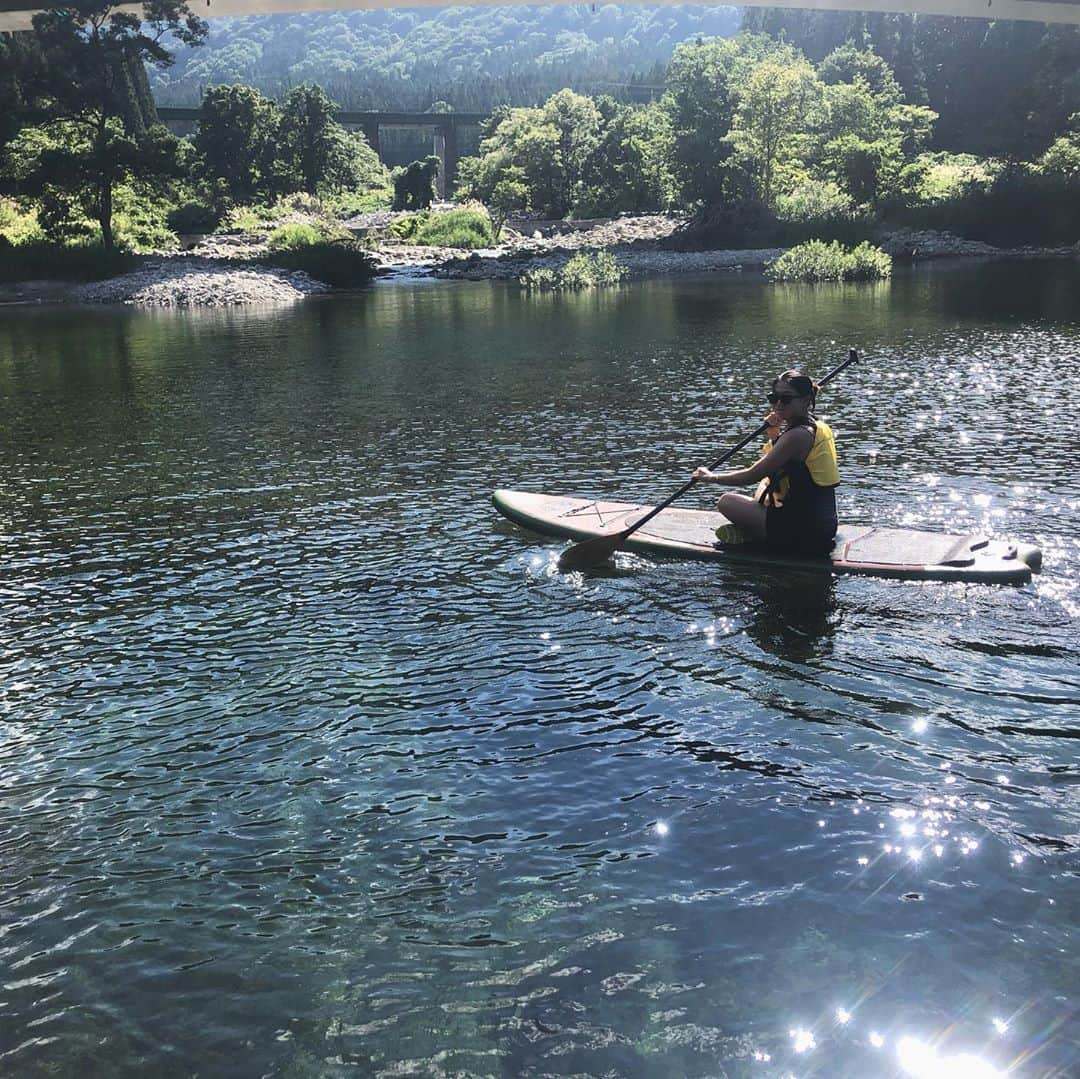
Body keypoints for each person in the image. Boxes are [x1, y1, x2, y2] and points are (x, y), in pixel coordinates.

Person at [691, 370, 839, 555]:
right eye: (773, 398)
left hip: (805, 533)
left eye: (785, 399)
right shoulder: (817, 426)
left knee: (726, 502)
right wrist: (774, 433)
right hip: (824, 526)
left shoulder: (798, 435)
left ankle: (754, 535)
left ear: (805, 400)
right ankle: (758, 531)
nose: (777, 404)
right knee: (765, 486)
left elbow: (753, 474)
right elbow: (785, 465)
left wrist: (712, 477)